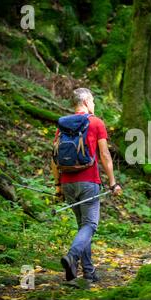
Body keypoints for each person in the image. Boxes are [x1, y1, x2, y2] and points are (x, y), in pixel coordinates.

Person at [51, 88, 122, 282]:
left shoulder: (63, 125)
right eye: (93, 102)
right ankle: (72, 257)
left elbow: (54, 157)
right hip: (89, 181)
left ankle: (88, 273)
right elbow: (105, 155)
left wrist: (58, 186)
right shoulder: (96, 123)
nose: (94, 105)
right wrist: (113, 183)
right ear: (87, 101)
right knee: (90, 224)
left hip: (67, 183)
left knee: (83, 227)